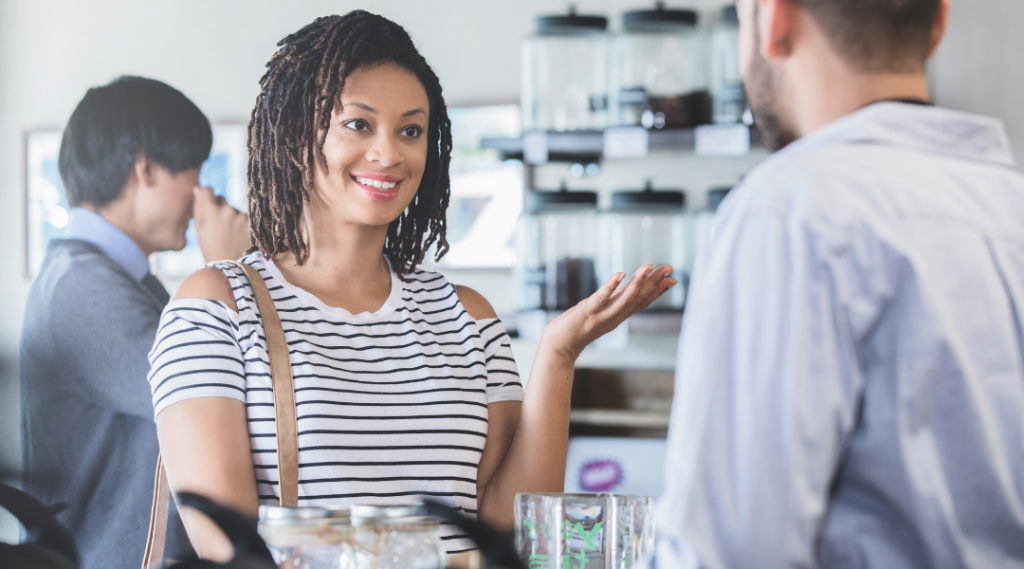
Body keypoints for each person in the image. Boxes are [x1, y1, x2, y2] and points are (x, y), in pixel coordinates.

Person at [147, 11, 676, 562]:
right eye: (359, 124)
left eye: (411, 130)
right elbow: (226, 544)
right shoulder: (216, 308)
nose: (390, 152)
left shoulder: (467, 317)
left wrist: (559, 353)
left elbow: (506, 524)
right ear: (296, 134)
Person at [649, 0, 1024, 566]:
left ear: (774, 20)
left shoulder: (789, 210)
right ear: (939, 23)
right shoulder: (1008, 206)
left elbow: (731, 551)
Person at [20, 76, 249, 569]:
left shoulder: (103, 276)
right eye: (194, 170)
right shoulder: (83, 290)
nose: (200, 193)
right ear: (144, 168)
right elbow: (209, 399)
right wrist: (225, 273)